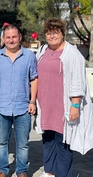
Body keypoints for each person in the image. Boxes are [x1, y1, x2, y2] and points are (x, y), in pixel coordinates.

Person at [35, 17, 93, 177]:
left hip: (63, 107)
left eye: (55, 33)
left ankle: (63, 174)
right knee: (48, 140)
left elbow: (78, 81)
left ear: (62, 33)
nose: (52, 36)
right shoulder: (43, 51)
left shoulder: (72, 53)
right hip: (46, 105)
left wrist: (75, 105)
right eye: (48, 33)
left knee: (63, 142)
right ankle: (49, 171)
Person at [0, 24, 37, 177]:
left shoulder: (29, 56)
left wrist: (32, 101)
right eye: (8, 37)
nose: (11, 40)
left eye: (14, 37)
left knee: (23, 144)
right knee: (1, 142)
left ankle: (21, 170)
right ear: (3, 38)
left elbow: (34, 79)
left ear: (20, 37)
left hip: (22, 106)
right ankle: (3, 169)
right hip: (2, 106)